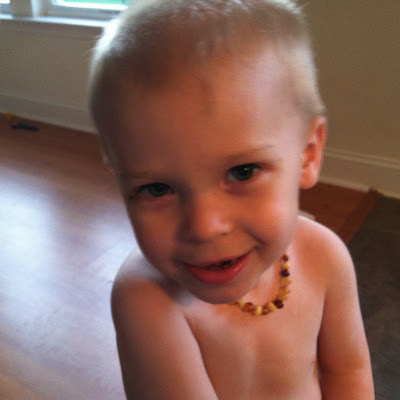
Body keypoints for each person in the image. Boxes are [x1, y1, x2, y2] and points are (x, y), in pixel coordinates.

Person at [88, 1, 374, 398]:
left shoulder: (326, 257)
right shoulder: (149, 300)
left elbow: (348, 370)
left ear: (307, 155)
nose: (204, 226)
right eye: (157, 188)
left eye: (242, 171)